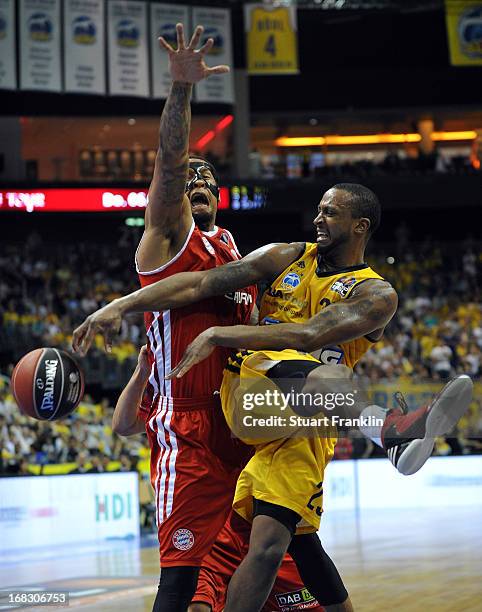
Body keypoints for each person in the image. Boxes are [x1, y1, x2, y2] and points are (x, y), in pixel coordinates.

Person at [73, 182, 473, 611]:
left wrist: (217, 332)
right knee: (324, 375)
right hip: (251, 393)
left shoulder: (376, 294)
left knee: (277, 546)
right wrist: (122, 304)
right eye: (318, 210)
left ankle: (390, 435)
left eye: (330, 213)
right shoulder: (285, 256)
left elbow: (310, 334)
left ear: (360, 226)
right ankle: (389, 431)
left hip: (308, 428)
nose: (318, 219)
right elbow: (199, 284)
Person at [92, 23, 317, 612]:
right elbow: (169, 162)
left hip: (245, 418)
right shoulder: (165, 246)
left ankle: (389, 423)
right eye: (187, 183)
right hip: (190, 431)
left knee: (281, 576)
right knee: (184, 583)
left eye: (207, 180)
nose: (197, 185)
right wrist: (182, 92)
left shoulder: (237, 254)